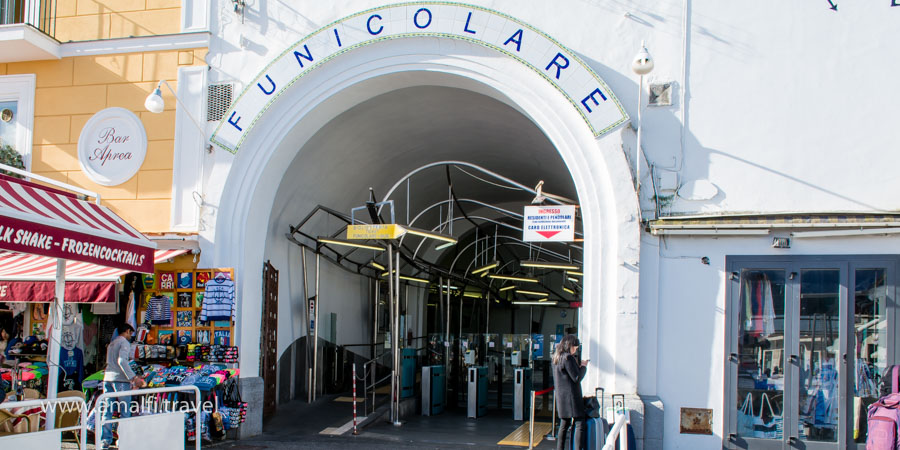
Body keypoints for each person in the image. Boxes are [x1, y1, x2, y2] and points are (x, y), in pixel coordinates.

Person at [100, 323, 145, 449]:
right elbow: (122, 361)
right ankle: (123, 439)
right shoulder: (124, 342)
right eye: (131, 333)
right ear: (127, 331)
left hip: (107, 378)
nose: (131, 336)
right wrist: (133, 377)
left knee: (107, 410)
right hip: (120, 380)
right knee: (125, 410)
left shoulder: (112, 343)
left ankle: (105, 440)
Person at [553, 334, 588, 450]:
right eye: (575, 347)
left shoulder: (557, 357)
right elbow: (576, 377)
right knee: (579, 422)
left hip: (562, 398)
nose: (575, 349)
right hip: (572, 397)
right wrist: (583, 366)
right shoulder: (568, 358)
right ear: (569, 345)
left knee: (564, 424)